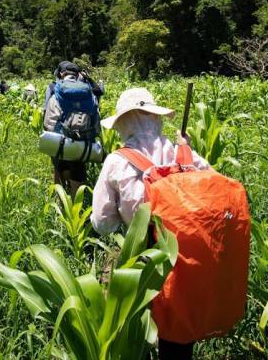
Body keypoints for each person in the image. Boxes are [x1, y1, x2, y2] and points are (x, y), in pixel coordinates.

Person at [91, 87, 210, 360]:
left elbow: (102, 223)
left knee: (133, 327)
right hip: (187, 254)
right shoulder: (184, 156)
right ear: (156, 118)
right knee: (177, 329)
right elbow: (210, 190)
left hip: (139, 253)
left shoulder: (116, 162)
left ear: (122, 124)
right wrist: (187, 152)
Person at [42, 61, 101, 195]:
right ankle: (77, 208)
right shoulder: (88, 91)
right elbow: (96, 118)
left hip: (60, 139)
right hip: (83, 142)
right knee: (78, 171)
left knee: (59, 167)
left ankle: (60, 203)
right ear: (77, 74)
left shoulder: (53, 87)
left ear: (61, 73)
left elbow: (47, 116)